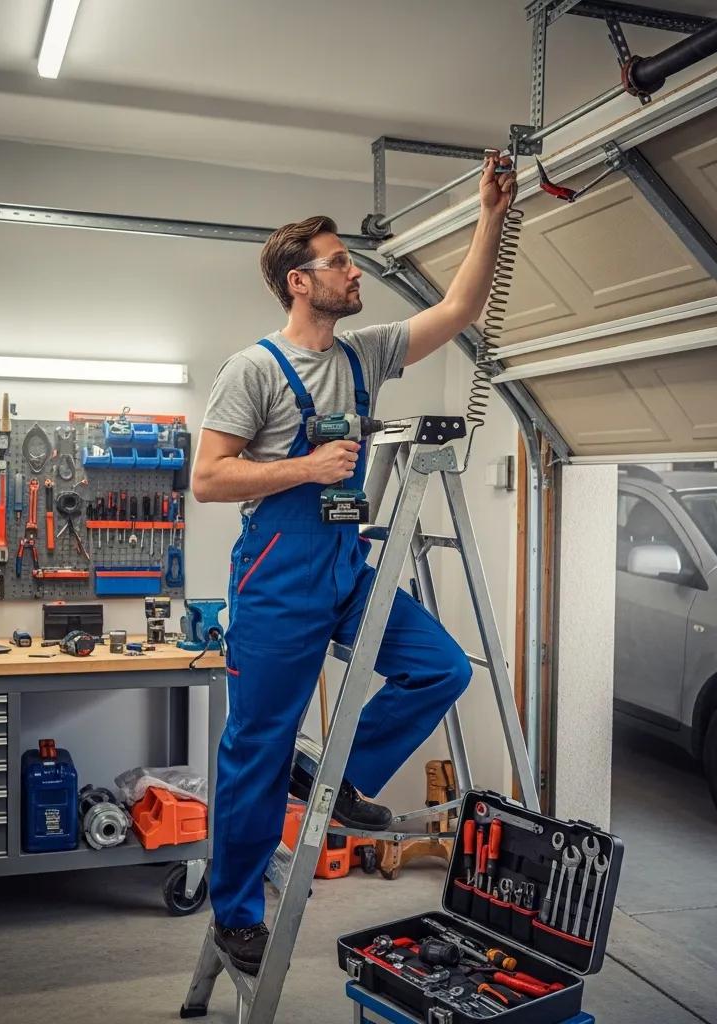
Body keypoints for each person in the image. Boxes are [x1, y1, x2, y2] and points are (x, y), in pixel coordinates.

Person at [192, 155, 518, 974]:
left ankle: (333, 778)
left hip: (345, 561)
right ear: (300, 282)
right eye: (339, 261)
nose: (353, 269)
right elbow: (208, 477)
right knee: (254, 748)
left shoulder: (366, 352)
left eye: (348, 259)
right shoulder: (255, 368)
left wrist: (491, 216)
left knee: (441, 667)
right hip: (276, 568)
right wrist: (305, 467)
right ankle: (235, 911)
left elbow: (459, 307)